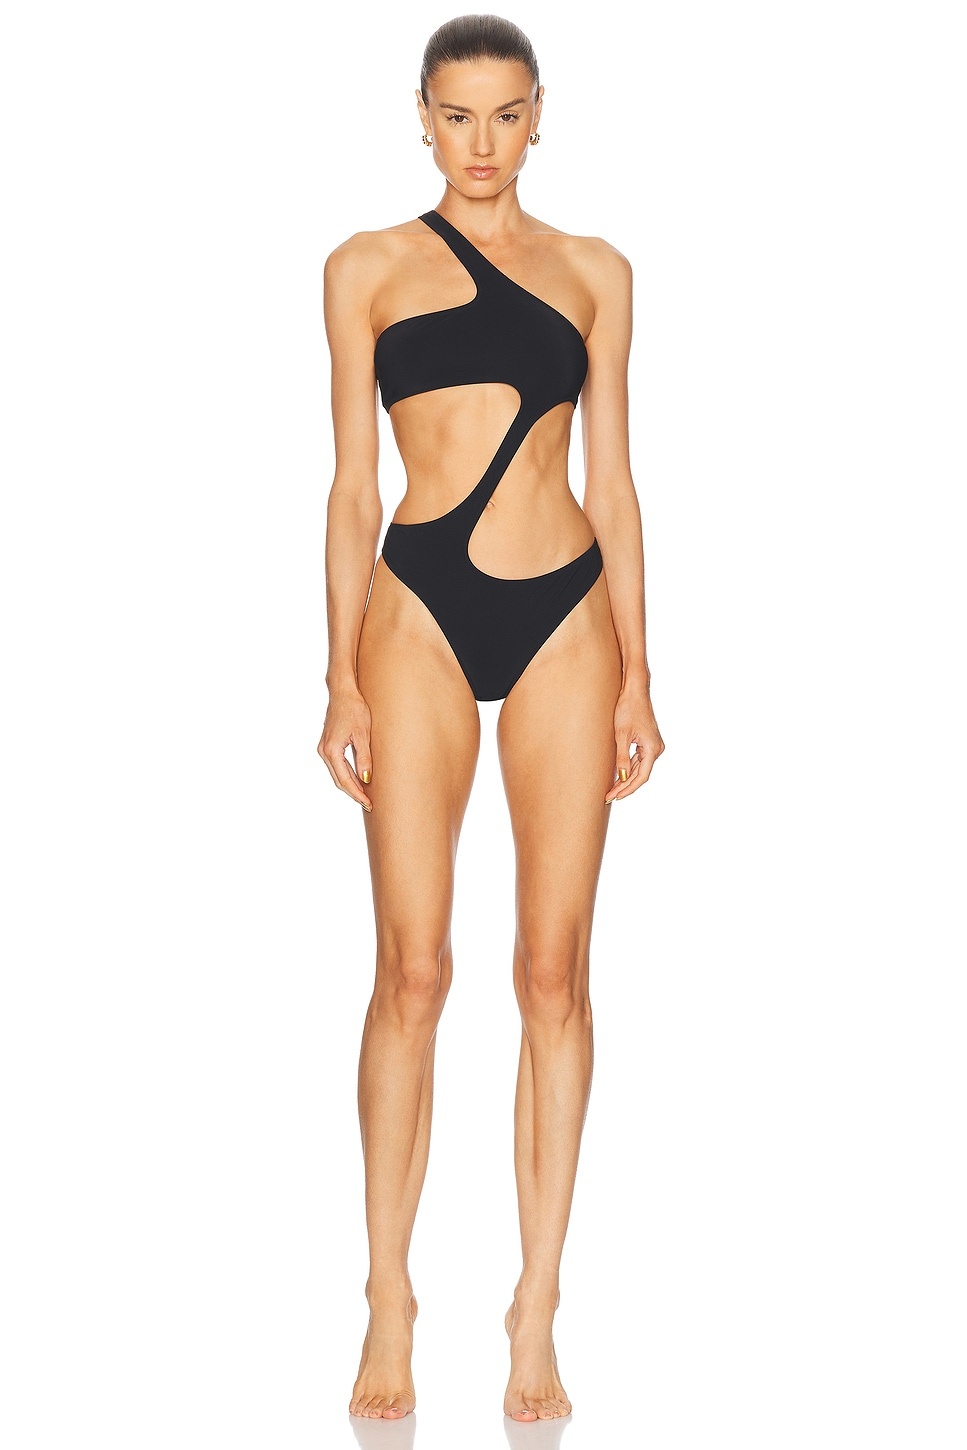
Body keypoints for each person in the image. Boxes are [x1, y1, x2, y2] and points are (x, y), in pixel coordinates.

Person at [318, 13, 664, 1424]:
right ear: (420, 115)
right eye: (456, 115)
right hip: (416, 612)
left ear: (538, 116)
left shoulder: (596, 272)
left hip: (567, 612)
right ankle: (388, 1295)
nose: (480, 142)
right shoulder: (365, 267)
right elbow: (352, 486)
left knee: (554, 973)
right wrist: (338, 675)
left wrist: (640, 671)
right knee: (412, 969)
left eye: (505, 114)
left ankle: (538, 1305)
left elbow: (617, 479)